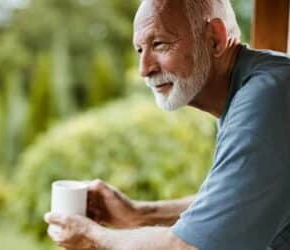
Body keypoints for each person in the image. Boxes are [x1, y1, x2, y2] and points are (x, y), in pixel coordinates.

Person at [44, 0, 290, 249]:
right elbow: (233, 203)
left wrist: (93, 237)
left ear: (215, 38)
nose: (144, 69)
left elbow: (190, 247)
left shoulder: (270, 97)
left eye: (159, 44)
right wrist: (140, 214)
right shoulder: (260, 85)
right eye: (140, 50)